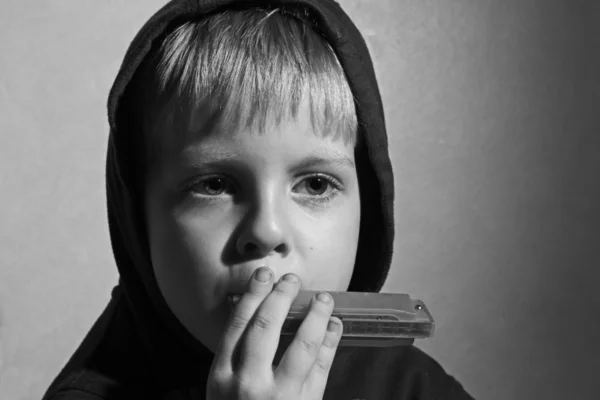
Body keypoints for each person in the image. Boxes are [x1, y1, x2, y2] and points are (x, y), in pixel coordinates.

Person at [42, 1, 474, 399]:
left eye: (316, 185)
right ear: (138, 220)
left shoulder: (413, 388)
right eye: (213, 185)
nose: (267, 231)